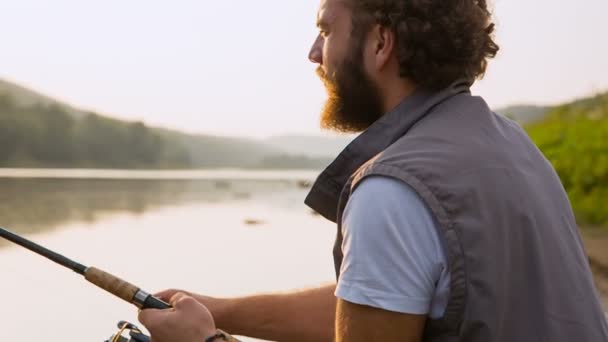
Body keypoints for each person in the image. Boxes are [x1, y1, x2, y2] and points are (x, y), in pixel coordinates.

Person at [138, 0, 608, 341]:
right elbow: (393, 296)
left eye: (325, 29)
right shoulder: (513, 148)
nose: (313, 54)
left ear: (381, 42)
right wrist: (218, 313)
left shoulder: (394, 188)